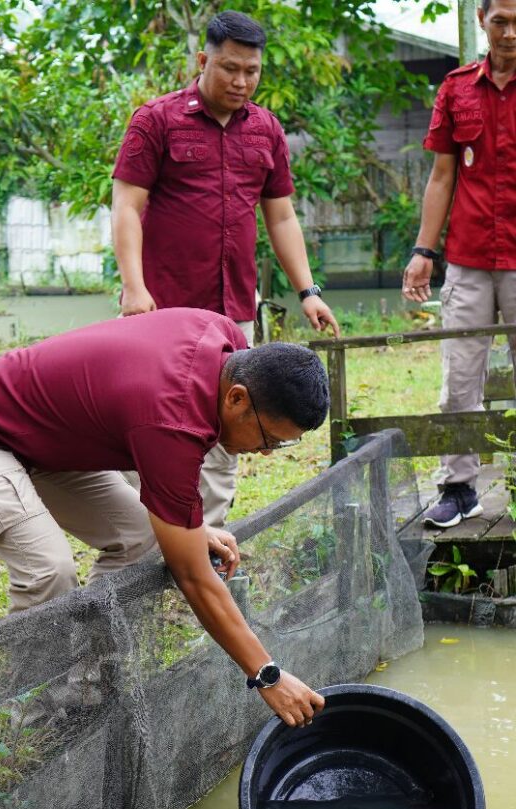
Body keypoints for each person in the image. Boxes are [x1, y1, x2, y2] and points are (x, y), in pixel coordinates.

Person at [0, 307, 329, 728]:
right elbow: (193, 578)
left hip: (50, 440)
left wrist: (188, 525)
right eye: (269, 439)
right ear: (237, 397)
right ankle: (26, 713)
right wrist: (267, 675)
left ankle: (83, 678)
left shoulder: (226, 342)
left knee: (139, 537)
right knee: (49, 573)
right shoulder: (173, 417)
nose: (264, 452)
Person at [111, 10, 340, 528]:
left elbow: (280, 216)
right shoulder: (156, 120)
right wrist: (133, 288)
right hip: (160, 311)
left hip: (231, 313)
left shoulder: (265, 130)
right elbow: (126, 205)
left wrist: (308, 290)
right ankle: (136, 555)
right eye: (229, 68)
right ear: (202, 60)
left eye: (251, 71)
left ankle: (206, 547)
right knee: (151, 426)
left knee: (228, 423)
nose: (240, 81)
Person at [403, 0, 516, 529]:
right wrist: (424, 252)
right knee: (459, 380)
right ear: (481, 20)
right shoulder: (456, 87)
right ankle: (459, 488)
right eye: (501, 21)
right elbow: (442, 177)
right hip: (468, 261)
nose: (510, 33)